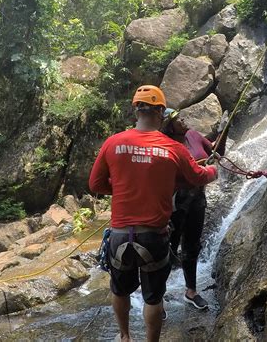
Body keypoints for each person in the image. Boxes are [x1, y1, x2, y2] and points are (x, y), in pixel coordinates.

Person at [89, 85, 218, 342]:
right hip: (153, 236)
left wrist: (124, 186)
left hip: (119, 234)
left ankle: (124, 336)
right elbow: (196, 177)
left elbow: (95, 185)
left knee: (120, 289)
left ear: (135, 110)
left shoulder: (113, 143)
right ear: (160, 112)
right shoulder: (173, 148)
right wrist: (214, 170)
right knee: (153, 298)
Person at [161, 108, 229, 310]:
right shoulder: (165, 146)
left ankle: (191, 291)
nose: (184, 119)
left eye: (182, 116)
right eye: (178, 119)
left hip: (197, 198)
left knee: (192, 245)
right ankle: (158, 297)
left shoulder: (193, 135)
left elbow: (217, 152)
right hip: (175, 203)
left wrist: (224, 130)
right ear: (168, 126)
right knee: (169, 248)